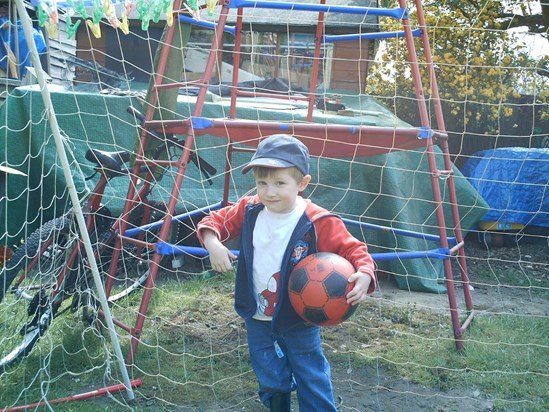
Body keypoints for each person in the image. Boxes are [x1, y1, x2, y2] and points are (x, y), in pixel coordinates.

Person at [197, 134, 376, 411]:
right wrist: (213, 243)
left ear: (302, 183)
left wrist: (364, 273)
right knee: (271, 378)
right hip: (256, 315)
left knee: (310, 375)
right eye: (262, 183)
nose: (269, 192)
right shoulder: (250, 209)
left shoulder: (318, 220)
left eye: (280, 183)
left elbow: (354, 250)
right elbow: (214, 221)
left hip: (300, 318)